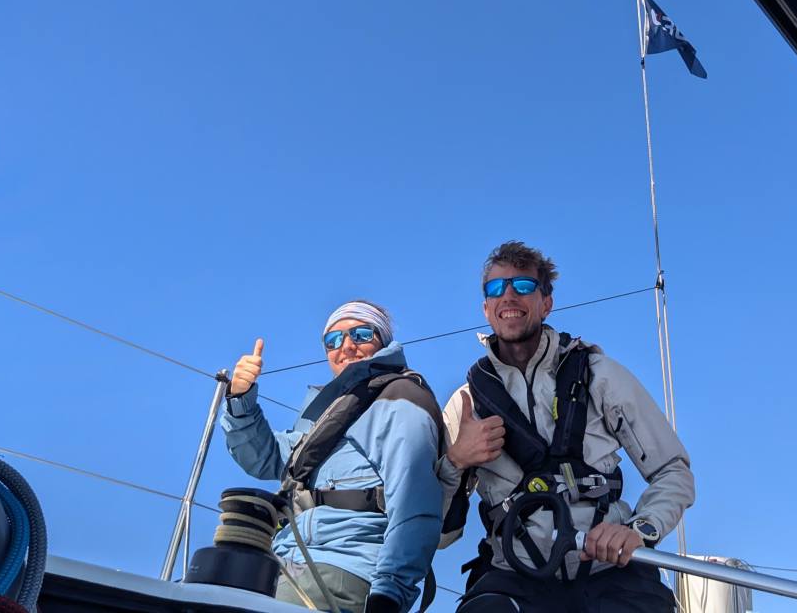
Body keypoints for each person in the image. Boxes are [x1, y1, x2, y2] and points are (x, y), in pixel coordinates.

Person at [438, 242, 695, 613]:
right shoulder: (465, 405)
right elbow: (441, 535)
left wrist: (639, 530)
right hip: (514, 573)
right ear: (486, 309)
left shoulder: (600, 376)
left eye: (523, 286)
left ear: (546, 302)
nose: (508, 295)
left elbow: (673, 471)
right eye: (496, 289)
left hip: (610, 568)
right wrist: (455, 462)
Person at [221, 300, 443, 613]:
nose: (347, 346)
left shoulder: (399, 401)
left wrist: (389, 595)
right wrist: (241, 399)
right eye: (333, 340)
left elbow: (414, 503)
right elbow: (263, 457)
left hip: (342, 571)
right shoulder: (326, 417)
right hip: (283, 565)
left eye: (361, 334)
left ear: (384, 341)